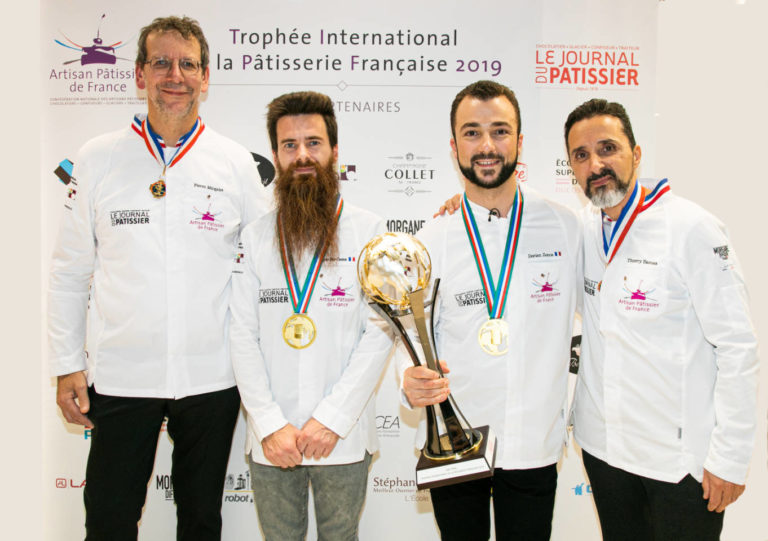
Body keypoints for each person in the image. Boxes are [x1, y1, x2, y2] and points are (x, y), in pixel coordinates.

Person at [48, 16, 270, 540]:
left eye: (188, 64)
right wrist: (65, 365)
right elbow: (70, 271)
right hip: (124, 375)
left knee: (200, 522)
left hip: (212, 378)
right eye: (162, 63)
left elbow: (264, 270)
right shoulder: (99, 157)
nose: (176, 75)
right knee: (108, 521)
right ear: (140, 74)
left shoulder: (235, 163)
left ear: (206, 77)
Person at [565, 98, 759, 540]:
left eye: (608, 148)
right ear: (573, 168)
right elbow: (521, 220)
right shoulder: (578, 229)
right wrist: (470, 208)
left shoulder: (692, 228)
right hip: (605, 452)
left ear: (635, 153)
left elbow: (737, 346)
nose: (596, 164)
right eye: (581, 155)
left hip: (678, 465)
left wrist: (729, 457)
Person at [401, 80, 582, 541]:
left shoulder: (564, 227)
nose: (486, 146)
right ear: (453, 146)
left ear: (520, 143)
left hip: (533, 441)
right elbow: (406, 335)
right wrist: (408, 378)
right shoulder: (430, 239)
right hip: (456, 442)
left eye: (500, 132)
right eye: (472, 132)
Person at [229, 90, 393, 541]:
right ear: (277, 156)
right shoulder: (255, 236)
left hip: (342, 436)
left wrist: (332, 419)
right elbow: (241, 335)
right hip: (272, 440)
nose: (302, 155)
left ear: (335, 151)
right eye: (289, 145)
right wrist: (268, 423)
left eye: (313, 143)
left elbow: (380, 332)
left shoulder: (369, 229)